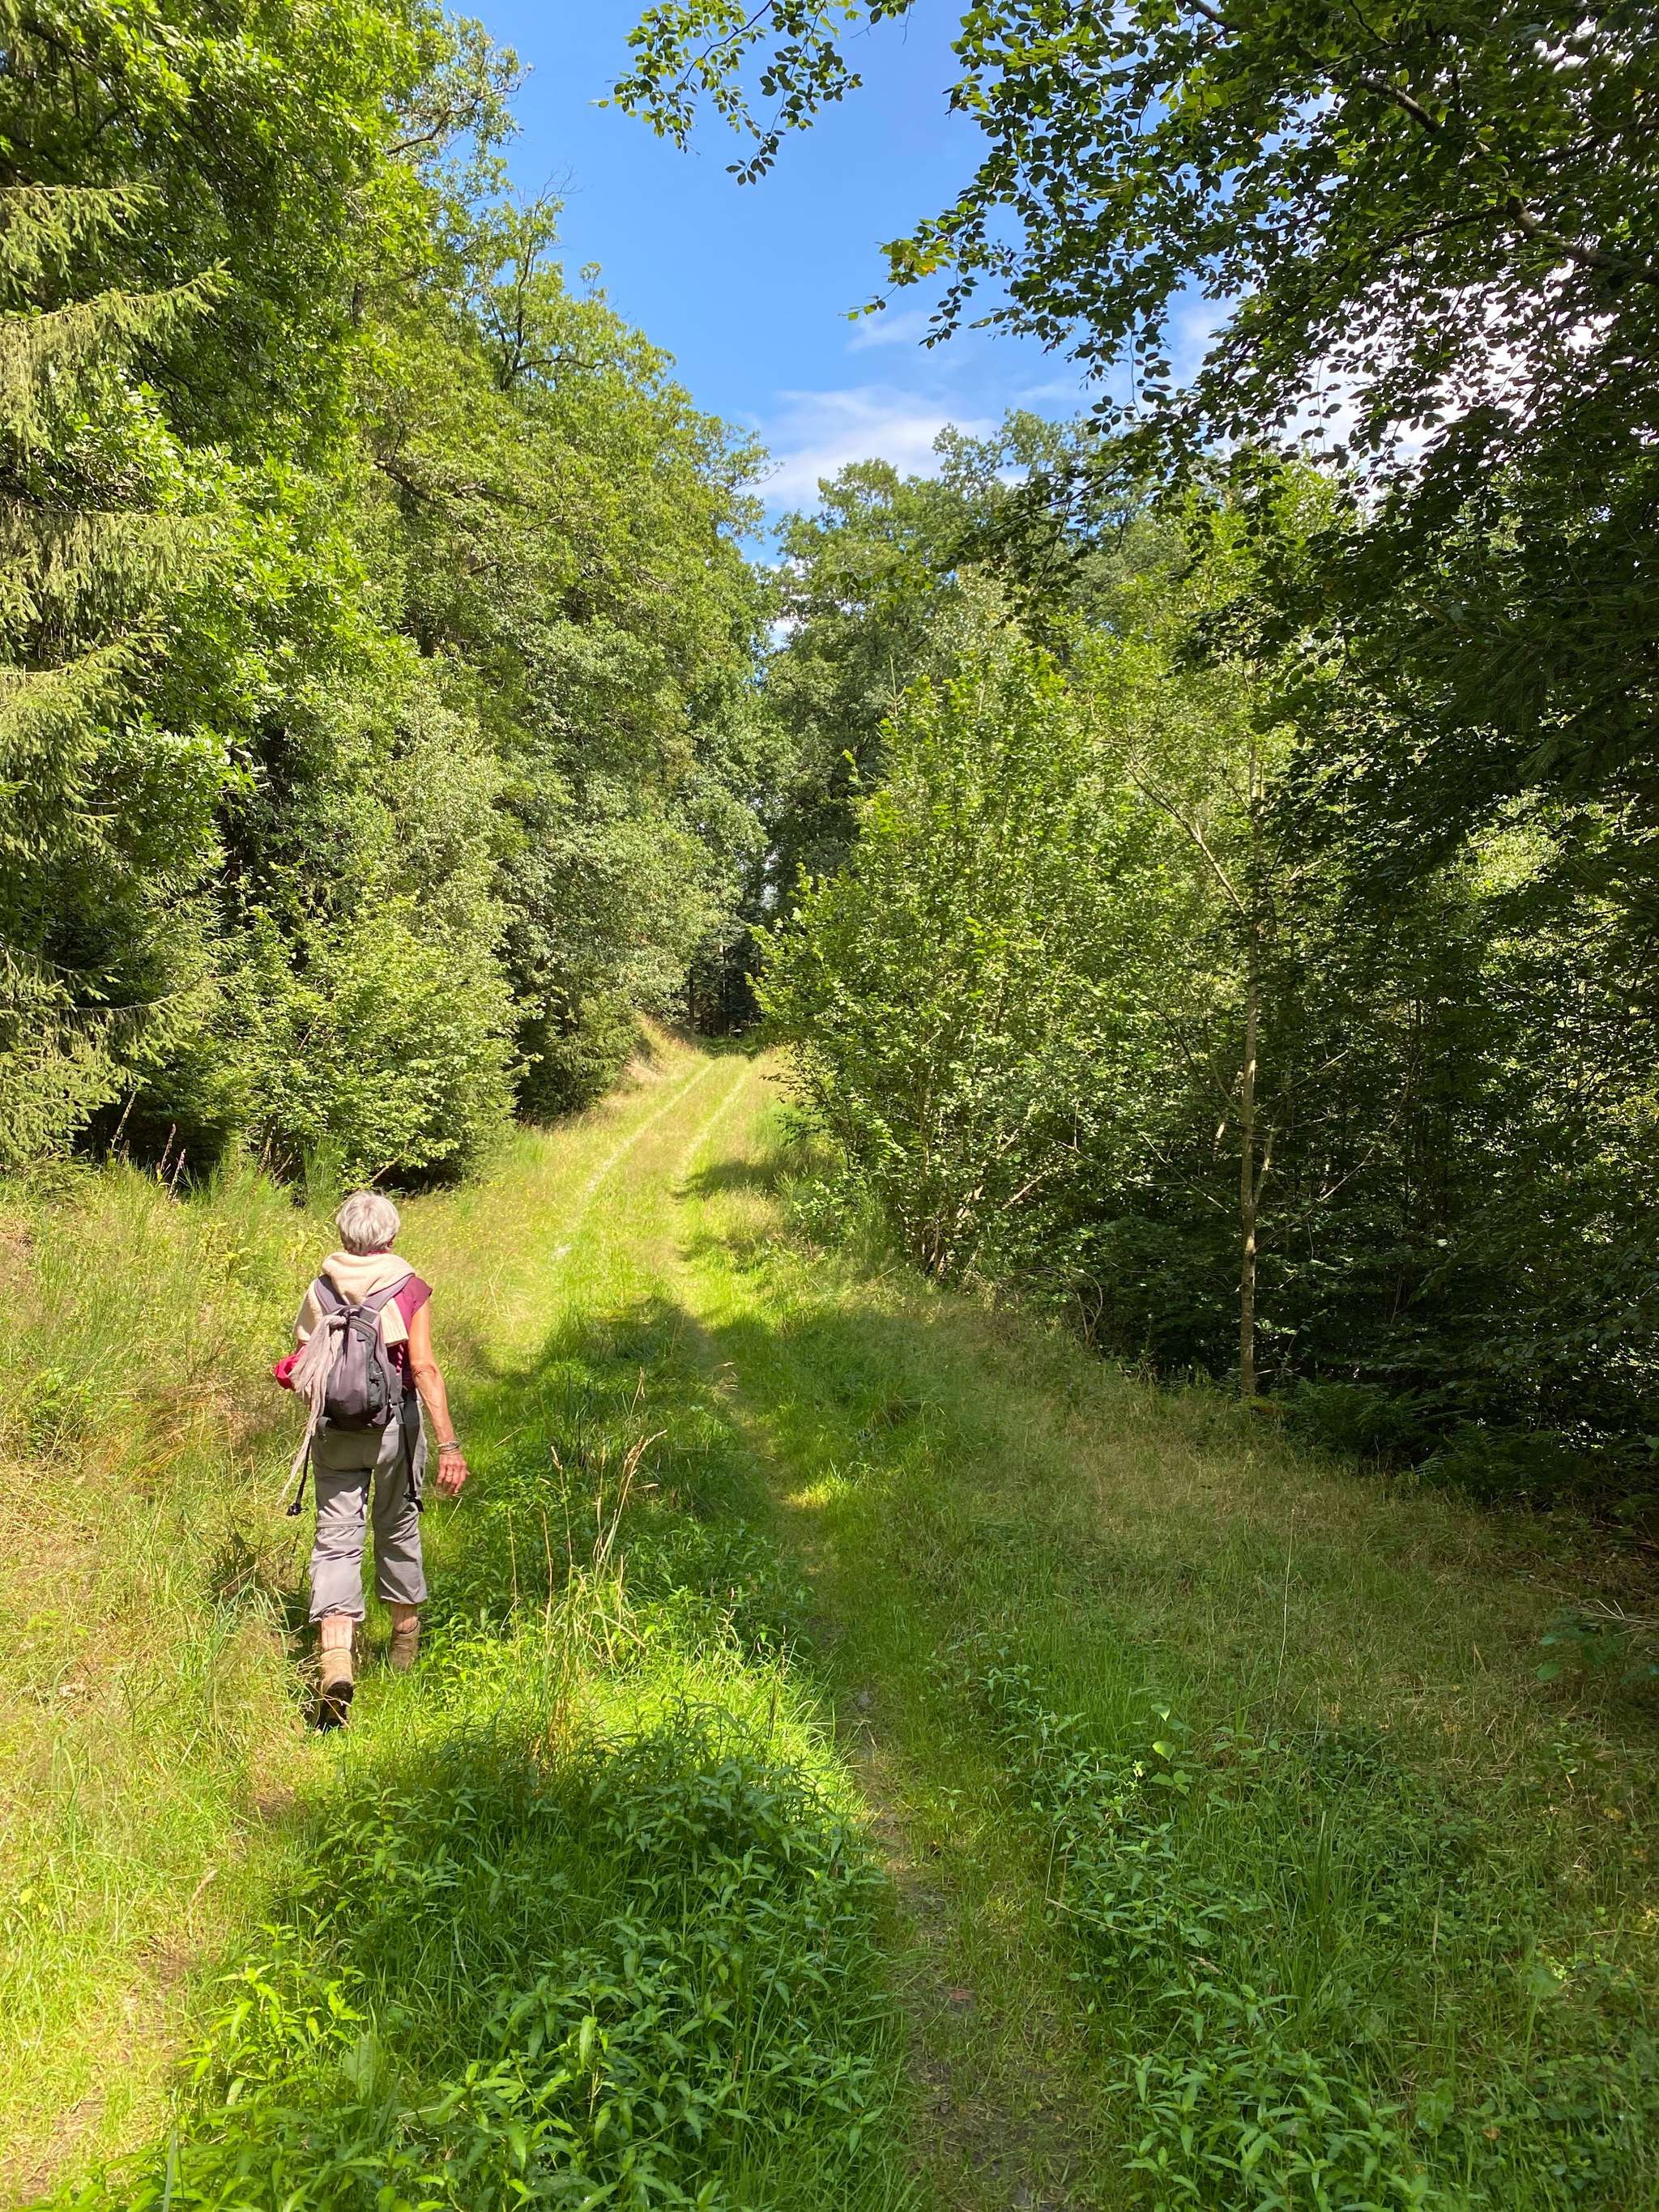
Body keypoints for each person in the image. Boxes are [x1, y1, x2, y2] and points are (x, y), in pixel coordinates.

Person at [286, 1190, 469, 1724]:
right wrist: (449, 1444)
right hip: (395, 1430)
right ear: (390, 1236)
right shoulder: (408, 1287)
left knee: (336, 1538)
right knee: (397, 1527)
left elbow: (302, 1361)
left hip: (334, 1430)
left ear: (344, 1235)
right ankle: (404, 1648)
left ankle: (336, 1661)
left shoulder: (321, 1286)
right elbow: (423, 1368)